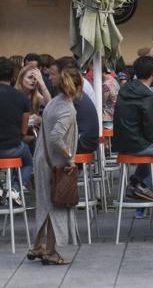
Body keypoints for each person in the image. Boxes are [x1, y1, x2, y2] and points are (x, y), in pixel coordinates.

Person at [29, 56, 84, 265]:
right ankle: (50, 251)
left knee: (44, 204)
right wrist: (69, 157)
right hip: (55, 163)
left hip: (42, 159)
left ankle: (36, 246)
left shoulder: (54, 102)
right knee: (56, 206)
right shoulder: (68, 108)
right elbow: (55, 137)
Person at [112, 56, 153, 208]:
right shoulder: (147, 95)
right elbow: (150, 131)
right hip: (138, 145)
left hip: (122, 144)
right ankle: (145, 184)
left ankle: (135, 181)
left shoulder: (125, 89)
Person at [0, 57, 32, 203]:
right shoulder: (21, 97)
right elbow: (24, 131)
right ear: (13, 76)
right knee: (28, 162)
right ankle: (15, 189)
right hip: (12, 147)